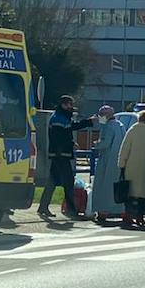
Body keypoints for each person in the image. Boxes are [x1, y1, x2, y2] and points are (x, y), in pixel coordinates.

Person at [38, 95, 93, 225]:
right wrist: (70, 144)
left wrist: (88, 122)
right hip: (60, 154)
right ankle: (71, 211)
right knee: (68, 182)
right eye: (69, 104)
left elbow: (70, 128)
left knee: (52, 181)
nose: (71, 107)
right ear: (63, 104)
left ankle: (43, 207)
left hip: (59, 154)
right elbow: (59, 138)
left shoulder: (61, 116)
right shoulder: (59, 118)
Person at [118, 108, 145, 230]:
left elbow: (125, 148)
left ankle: (127, 215)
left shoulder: (132, 131)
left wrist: (121, 164)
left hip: (132, 165)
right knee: (143, 194)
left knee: (130, 192)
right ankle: (140, 216)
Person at [87, 105, 125, 225]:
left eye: (101, 114)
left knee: (103, 185)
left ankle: (102, 211)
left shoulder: (107, 127)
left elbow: (105, 143)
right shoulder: (121, 126)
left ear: (106, 116)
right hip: (118, 160)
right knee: (115, 186)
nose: (99, 117)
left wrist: (96, 144)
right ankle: (118, 210)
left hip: (107, 160)